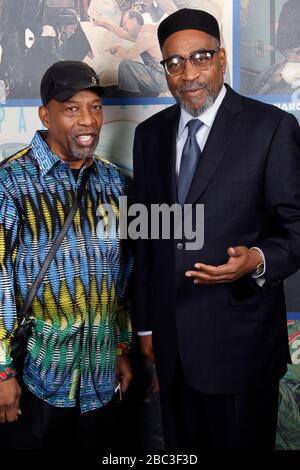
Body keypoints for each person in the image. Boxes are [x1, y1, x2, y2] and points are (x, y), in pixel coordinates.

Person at [133, 8, 300, 450]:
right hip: (172, 352)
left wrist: (257, 260)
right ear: (165, 70)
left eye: (201, 57)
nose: (188, 73)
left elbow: (296, 230)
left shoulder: (272, 127)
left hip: (241, 349)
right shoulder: (150, 135)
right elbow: (149, 238)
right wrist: (147, 328)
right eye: (174, 63)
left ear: (222, 59)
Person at [0, 60, 132, 450]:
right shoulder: (12, 182)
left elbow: (120, 273)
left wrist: (121, 347)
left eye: (95, 107)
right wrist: (2, 372)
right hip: (37, 378)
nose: (88, 120)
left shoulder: (112, 181)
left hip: (101, 377)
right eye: (72, 108)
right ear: (45, 114)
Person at [93, 9, 168, 96]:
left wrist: (117, 48)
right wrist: (104, 24)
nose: (124, 26)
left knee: (126, 65)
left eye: (125, 23)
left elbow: (129, 56)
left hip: (161, 77)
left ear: (134, 20)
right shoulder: (141, 34)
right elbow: (121, 32)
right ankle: (142, 97)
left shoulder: (146, 34)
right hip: (159, 76)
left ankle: (130, 100)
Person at [252, 0, 300, 95]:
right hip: (296, 57)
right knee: (288, 74)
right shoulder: (289, 6)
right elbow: (281, 40)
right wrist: (288, 53)